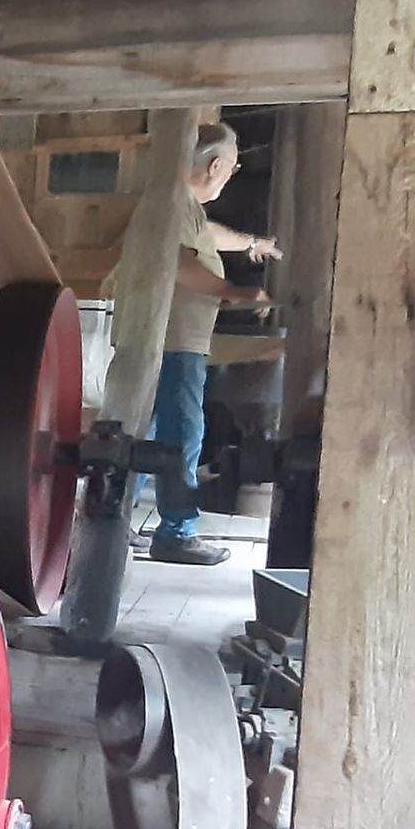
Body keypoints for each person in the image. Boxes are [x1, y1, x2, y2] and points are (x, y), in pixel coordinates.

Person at [141, 121, 282, 566]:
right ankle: (176, 533)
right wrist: (235, 293)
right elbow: (178, 263)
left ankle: (110, 514)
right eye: (233, 167)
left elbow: (206, 235)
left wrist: (252, 243)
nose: (231, 174)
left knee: (142, 431)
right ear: (217, 165)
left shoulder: (179, 206)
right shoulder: (173, 206)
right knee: (183, 435)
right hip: (175, 342)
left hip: (164, 339)